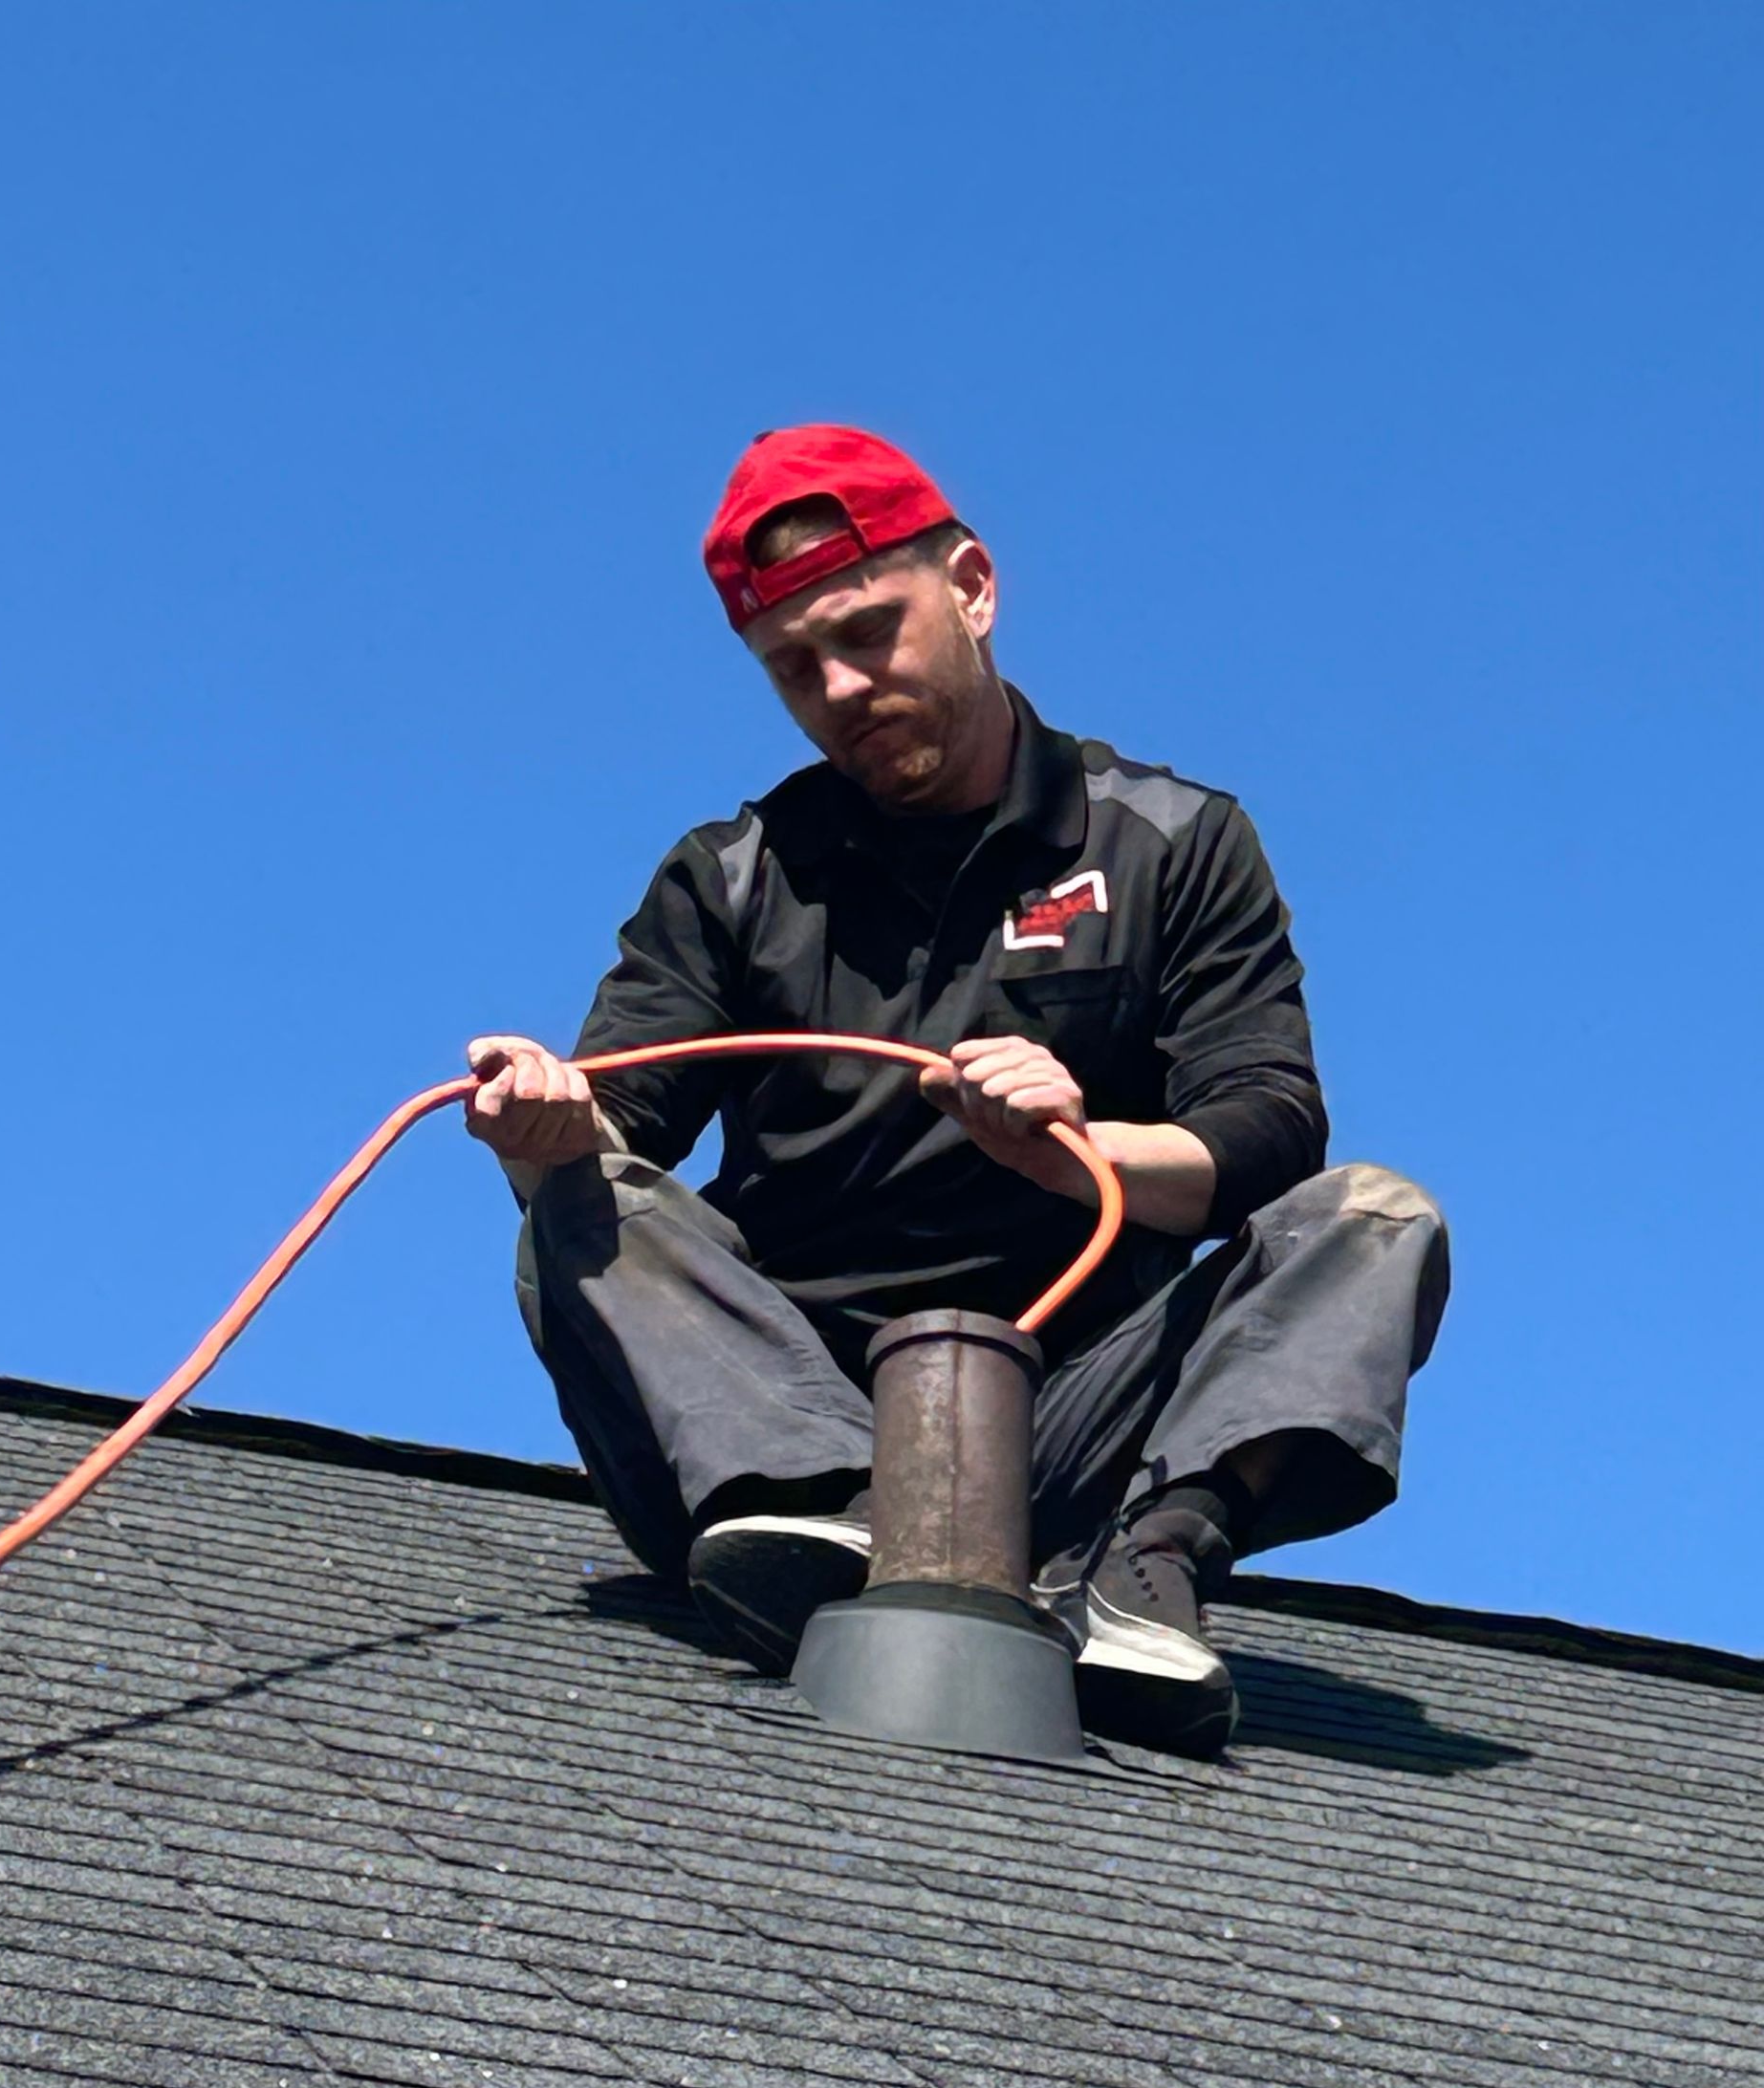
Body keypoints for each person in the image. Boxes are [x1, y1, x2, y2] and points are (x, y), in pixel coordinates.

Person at [465, 425, 1448, 1755]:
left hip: (1067, 1442)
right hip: (763, 1440)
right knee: (582, 1202)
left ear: (973, 589)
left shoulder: (1173, 843)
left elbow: (1269, 1132)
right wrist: (542, 1126)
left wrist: (1080, 1152)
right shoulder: (734, 875)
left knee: (1373, 1219)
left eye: (868, 633)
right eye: (795, 670)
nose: (841, 686)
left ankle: (1147, 1571)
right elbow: (614, 1129)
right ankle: (833, 1516)